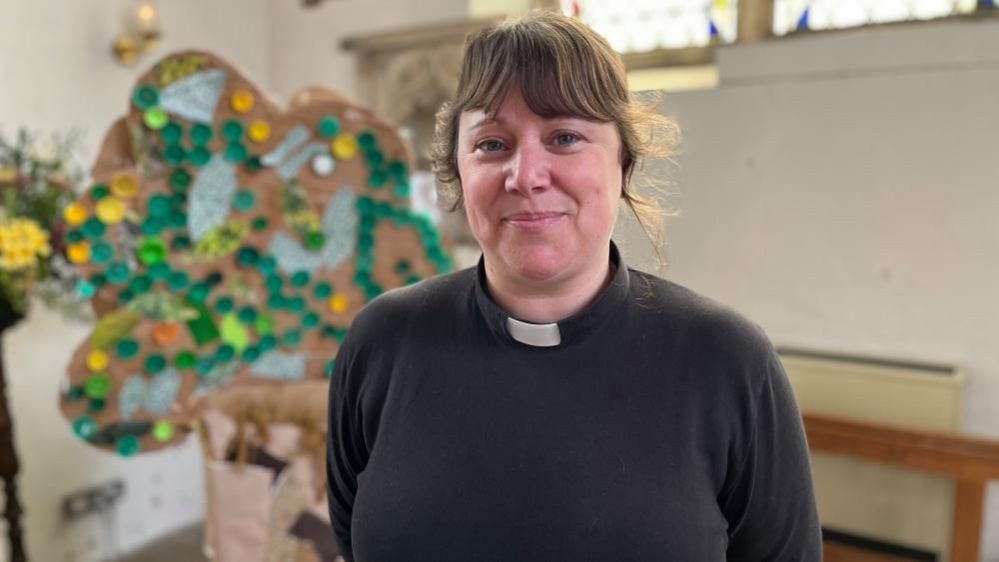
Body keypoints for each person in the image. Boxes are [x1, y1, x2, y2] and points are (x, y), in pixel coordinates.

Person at [327, 10, 822, 562]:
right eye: (492, 143)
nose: (526, 174)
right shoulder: (383, 341)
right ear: (457, 168)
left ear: (623, 163)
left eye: (564, 137)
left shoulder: (728, 362)